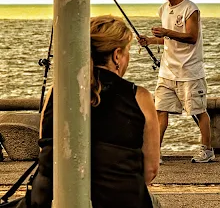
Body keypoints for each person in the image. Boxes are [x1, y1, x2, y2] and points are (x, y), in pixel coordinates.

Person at [30, 16, 161, 208]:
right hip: (119, 200)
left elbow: (45, 148)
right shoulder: (139, 97)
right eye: (128, 51)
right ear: (117, 55)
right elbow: (150, 171)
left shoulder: (56, 91)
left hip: (49, 198)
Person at [138, 0, 213, 163]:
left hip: (189, 71)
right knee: (160, 111)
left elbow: (191, 37)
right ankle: (155, 152)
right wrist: (150, 40)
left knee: (198, 112)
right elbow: (168, 40)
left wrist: (166, 32)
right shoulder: (163, 9)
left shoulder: (191, 9)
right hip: (167, 71)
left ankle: (207, 150)